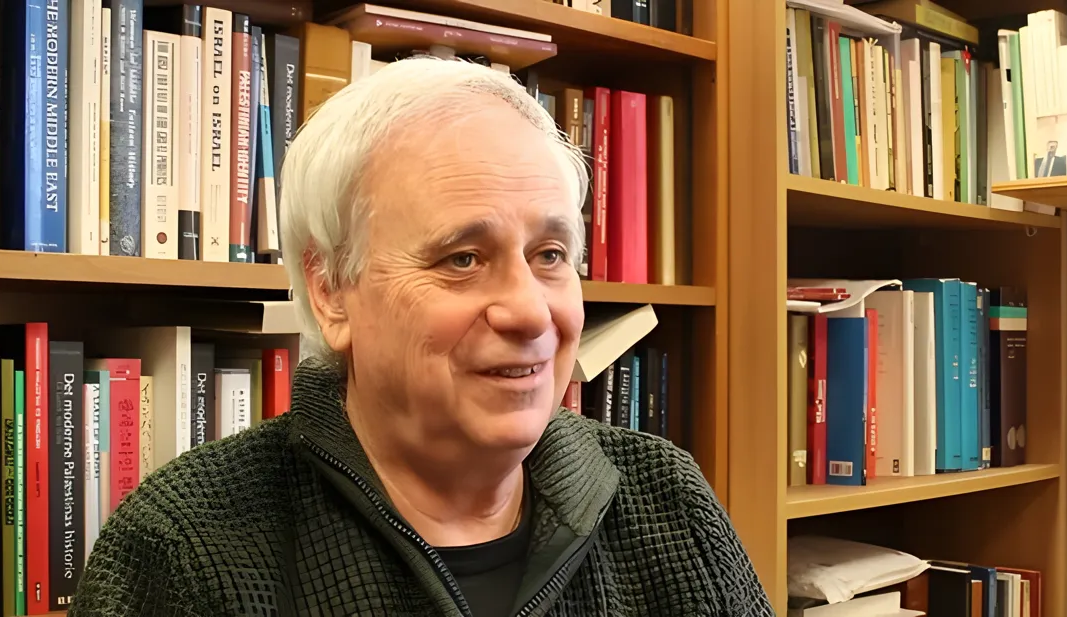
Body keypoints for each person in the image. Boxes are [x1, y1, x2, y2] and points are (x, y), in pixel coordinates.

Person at [70, 57, 772, 616]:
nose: (530, 313)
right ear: (331, 288)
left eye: (551, 255)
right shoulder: (182, 550)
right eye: (462, 259)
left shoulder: (669, 503)